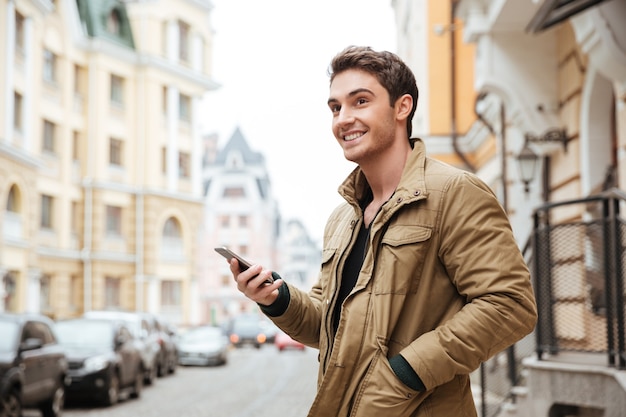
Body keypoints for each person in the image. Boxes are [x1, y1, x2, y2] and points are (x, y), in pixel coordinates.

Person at [229, 46, 537, 417]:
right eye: (335, 107)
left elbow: (510, 304)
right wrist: (275, 298)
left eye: (360, 101)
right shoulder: (341, 220)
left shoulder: (455, 193)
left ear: (402, 107)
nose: (344, 118)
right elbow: (327, 326)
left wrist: (407, 373)